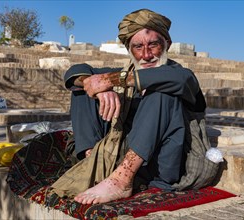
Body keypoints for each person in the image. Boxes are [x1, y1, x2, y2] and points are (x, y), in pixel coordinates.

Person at [53, 8, 218, 205]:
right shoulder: (126, 71)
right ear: (129, 50)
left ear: (167, 45)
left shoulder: (181, 76)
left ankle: (121, 180)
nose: (146, 55)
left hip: (162, 166)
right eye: (138, 47)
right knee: (83, 88)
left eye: (154, 45)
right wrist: (97, 86)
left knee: (161, 91)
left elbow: (179, 81)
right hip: (116, 157)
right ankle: (93, 165)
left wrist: (111, 80)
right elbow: (74, 71)